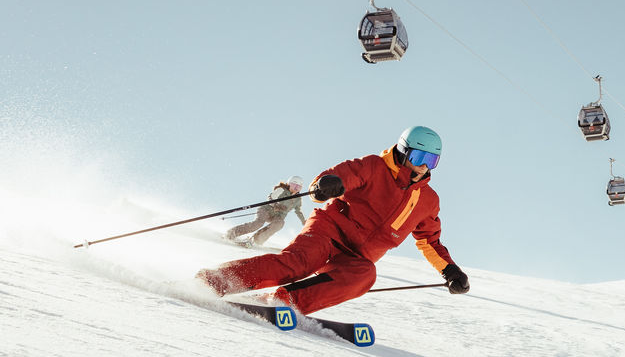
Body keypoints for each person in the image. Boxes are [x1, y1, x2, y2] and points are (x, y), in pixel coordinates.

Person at [196, 125, 469, 315]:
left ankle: (282, 302)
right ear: (403, 151)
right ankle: (215, 280)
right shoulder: (373, 166)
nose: (424, 166)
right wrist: (327, 185)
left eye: (432, 160)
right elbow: (341, 175)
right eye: (419, 157)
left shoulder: (427, 200)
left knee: (364, 276)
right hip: (329, 232)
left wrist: (450, 271)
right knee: (299, 263)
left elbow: (429, 241)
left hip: (357, 257)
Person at [225, 176, 308, 247]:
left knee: (280, 223)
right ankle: (232, 233)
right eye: (294, 185)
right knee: (257, 224)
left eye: (299, 187)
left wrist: (303, 221)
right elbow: (271, 198)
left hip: (277, 216)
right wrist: (276, 205)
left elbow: (298, 211)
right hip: (266, 210)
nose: (296, 188)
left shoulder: (298, 199)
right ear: (289, 184)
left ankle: (256, 240)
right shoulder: (281, 190)